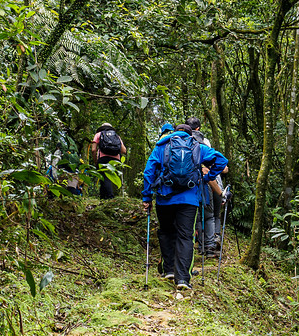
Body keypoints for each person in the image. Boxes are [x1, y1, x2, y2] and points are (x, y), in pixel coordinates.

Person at [142, 124, 228, 290]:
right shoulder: (198, 147)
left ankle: (168, 270)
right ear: (191, 135)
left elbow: (148, 171)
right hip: (189, 200)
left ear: (175, 133)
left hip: (164, 198)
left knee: (167, 232)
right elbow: (222, 161)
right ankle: (182, 279)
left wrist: (147, 197)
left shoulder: (161, 146)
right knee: (185, 236)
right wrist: (207, 177)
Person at [186, 117, 227, 257]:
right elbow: (222, 164)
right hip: (204, 185)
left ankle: (198, 247)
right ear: (198, 129)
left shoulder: (177, 144)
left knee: (195, 217)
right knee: (208, 215)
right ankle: (209, 247)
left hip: (184, 187)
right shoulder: (203, 145)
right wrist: (211, 178)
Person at [91, 122, 126, 199]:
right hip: (116, 159)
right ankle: (102, 198)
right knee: (105, 178)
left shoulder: (98, 134)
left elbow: (93, 149)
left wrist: (95, 161)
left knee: (105, 177)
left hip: (103, 158)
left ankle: (110, 197)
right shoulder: (116, 136)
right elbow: (124, 151)